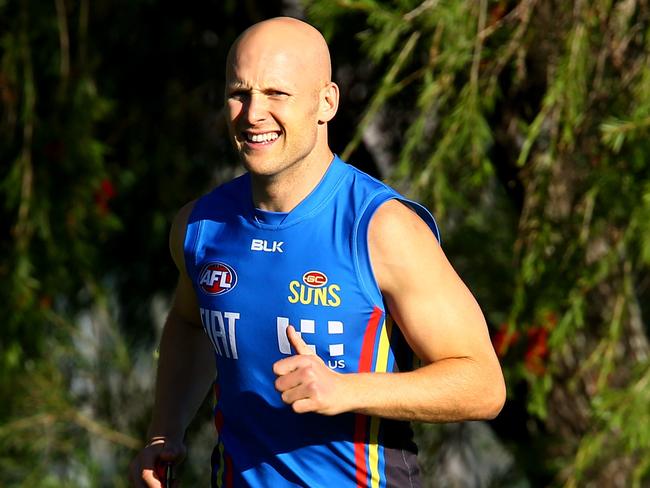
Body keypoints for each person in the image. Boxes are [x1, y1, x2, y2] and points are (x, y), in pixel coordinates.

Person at [129, 16, 505, 488]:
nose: (252, 113)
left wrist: (345, 390)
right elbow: (190, 322)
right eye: (239, 93)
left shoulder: (382, 228)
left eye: (276, 94)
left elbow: (483, 385)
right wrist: (166, 429)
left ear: (326, 102)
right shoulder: (201, 226)